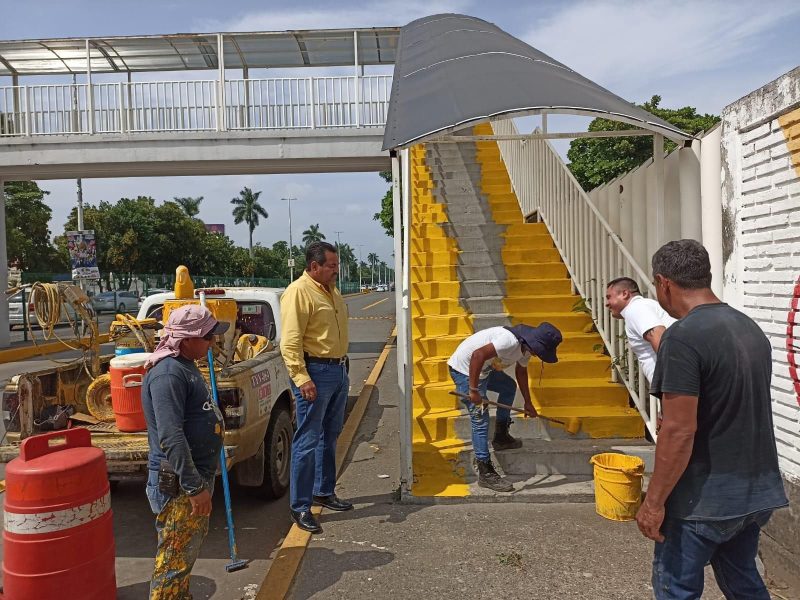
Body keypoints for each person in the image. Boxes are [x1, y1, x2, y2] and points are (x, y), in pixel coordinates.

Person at [635, 239, 788, 600]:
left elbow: (678, 430)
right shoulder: (748, 328)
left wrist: (653, 503)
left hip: (702, 501)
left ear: (664, 283)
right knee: (743, 583)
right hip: (754, 495)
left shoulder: (683, 338)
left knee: (676, 590)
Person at [141, 304, 229, 599]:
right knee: (172, 564)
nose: (212, 343)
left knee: (181, 558)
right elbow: (171, 437)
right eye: (208, 337)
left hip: (194, 478)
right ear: (186, 339)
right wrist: (194, 487)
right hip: (180, 486)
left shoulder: (184, 365)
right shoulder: (168, 375)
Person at [280, 241, 352, 534]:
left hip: (338, 369)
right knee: (307, 440)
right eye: (332, 266)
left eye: (336, 265)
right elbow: (290, 341)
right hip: (316, 372)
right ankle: (300, 506)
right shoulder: (298, 292)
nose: (336, 270)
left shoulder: (331, 291)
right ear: (314, 267)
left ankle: (324, 490)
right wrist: (301, 378)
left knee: (330, 435)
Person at [448, 323, 562, 492]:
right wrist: (473, 390)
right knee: (480, 416)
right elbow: (478, 355)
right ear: (535, 343)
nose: (539, 355)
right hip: (465, 370)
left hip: (484, 369)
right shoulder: (509, 342)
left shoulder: (526, 348)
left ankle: (501, 436)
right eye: (541, 351)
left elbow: (521, 372)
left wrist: (528, 402)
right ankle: (485, 472)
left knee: (508, 387)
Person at [605, 276, 677, 383]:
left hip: (674, 383)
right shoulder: (643, 306)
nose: (606, 303)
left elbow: (661, 338)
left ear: (625, 294)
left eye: (609, 297)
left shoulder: (635, 308)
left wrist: (677, 382)